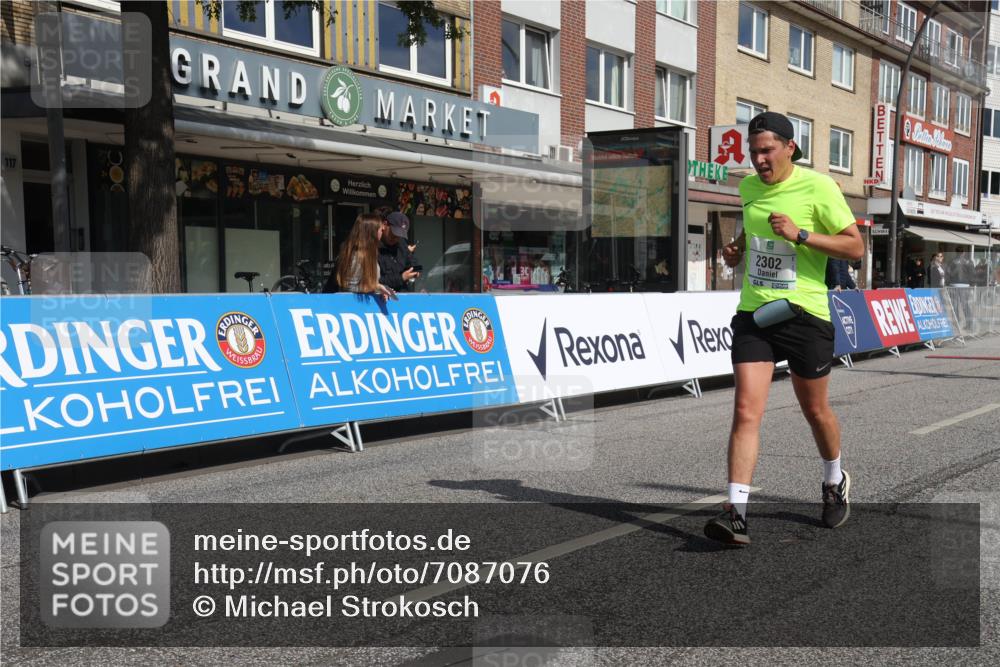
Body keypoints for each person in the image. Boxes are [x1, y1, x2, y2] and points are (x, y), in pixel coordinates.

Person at [705, 112, 864, 547]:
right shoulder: (748, 187)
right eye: (753, 151)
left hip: (805, 315)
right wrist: (737, 250)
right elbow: (755, 236)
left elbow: (855, 246)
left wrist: (802, 234)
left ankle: (834, 477)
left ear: (790, 147)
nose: (758, 160)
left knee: (815, 411)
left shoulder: (819, 187)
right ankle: (736, 512)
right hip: (756, 313)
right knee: (745, 410)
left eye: (766, 150)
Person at [332, 213, 394, 299]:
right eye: (381, 230)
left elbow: (368, 285)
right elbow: (350, 287)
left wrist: (380, 291)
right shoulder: (355, 256)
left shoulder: (369, 253)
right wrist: (377, 287)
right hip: (351, 307)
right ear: (372, 232)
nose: (382, 232)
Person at [379, 212, 420, 292]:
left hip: (402, 296)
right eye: (393, 233)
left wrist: (415, 270)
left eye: (399, 235)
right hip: (381, 298)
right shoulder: (374, 248)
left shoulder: (401, 243)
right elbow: (375, 282)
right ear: (384, 225)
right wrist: (401, 278)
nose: (395, 238)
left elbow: (412, 260)